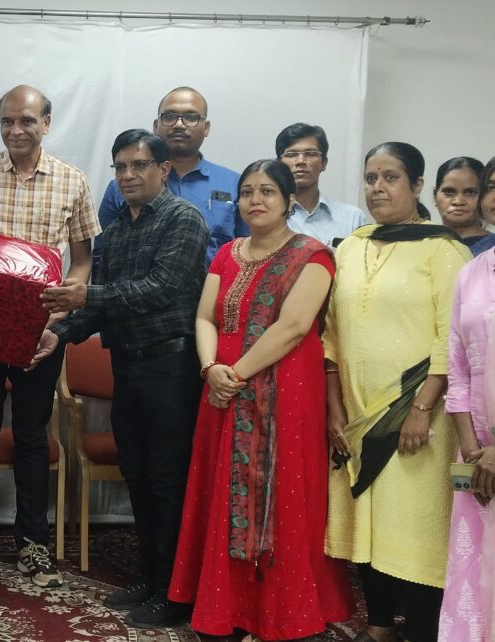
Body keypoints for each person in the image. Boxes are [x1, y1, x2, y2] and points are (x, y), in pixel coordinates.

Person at [168, 159, 353, 641]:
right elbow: (205, 317)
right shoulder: (228, 253)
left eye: (267, 191)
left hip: (283, 391)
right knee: (222, 492)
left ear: (289, 200)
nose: (255, 200)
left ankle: (279, 612)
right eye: (247, 191)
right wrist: (210, 369)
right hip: (222, 391)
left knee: (280, 494)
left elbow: (293, 327)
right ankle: (225, 607)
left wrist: (234, 374)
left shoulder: (313, 256)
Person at [37, 128, 206, 626]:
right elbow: (99, 311)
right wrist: (58, 335)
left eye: (139, 165)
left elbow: (160, 288)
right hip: (128, 368)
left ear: (164, 169)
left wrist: (85, 296)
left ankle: (177, 593)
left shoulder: (183, 219)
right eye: (120, 167)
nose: (128, 175)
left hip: (173, 367)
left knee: (167, 479)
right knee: (138, 473)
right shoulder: (112, 234)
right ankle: (150, 577)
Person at [0, 85, 97, 589]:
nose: (16, 130)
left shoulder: (72, 181)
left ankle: (33, 543)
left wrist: (59, 315)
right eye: (7, 121)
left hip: (42, 332)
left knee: (32, 436)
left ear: (46, 123)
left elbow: (82, 261)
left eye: (27, 121)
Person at [324, 142, 469, 642]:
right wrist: (335, 407)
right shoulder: (351, 246)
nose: (378, 188)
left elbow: (450, 338)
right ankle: (380, 626)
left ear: (416, 185)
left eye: (390, 178)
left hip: (417, 414)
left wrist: (422, 408)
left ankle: (424, 630)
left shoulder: (444, 251)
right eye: (371, 178)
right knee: (368, 521)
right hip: (358, 414)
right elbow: (330, 335)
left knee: (416, 524)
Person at [439, 156, 495, 641]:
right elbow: (456, 365)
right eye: (493, 186)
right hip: (475, 451)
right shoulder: (473, 272)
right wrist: (472, 447)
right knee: (473, 565)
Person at [96, 86, 242, 266]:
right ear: (156, 126)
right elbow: (101, 255)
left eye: (191, 117)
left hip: (215, 284)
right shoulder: (124, 185)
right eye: (169, 116)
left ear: (206, 128)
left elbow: (250, 249)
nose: (179, 124)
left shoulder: (234, 184)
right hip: (138, 284)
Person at [275, 122, 368, 247]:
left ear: (323, 163)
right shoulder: (267, 217)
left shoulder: (352, 218)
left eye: (310, 154)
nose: (301, 161)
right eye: (291, 155)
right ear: (279, 164)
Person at [433, 156, 493, 254]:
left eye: (470, 192)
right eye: (449, 192)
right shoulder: (424, 245)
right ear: (435, 196)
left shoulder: (491, 249)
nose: (458, 201)